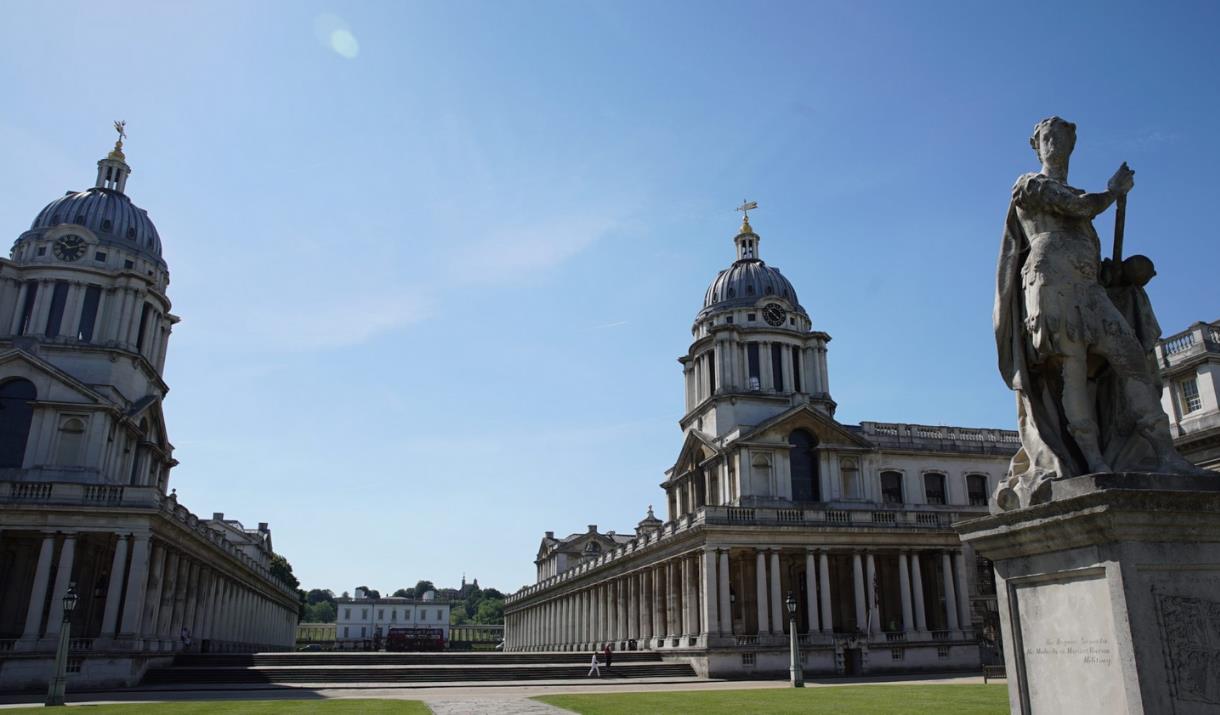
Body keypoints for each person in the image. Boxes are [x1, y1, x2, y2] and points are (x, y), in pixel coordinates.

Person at [993, 116, 1204, 510]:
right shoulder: (1029, 186)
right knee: (1069, 369)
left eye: (1063, 137)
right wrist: (1112, 192)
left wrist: (1121, 274)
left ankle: (1164, 452)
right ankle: (1093, 460)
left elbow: (1088, 240)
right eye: (1048, 137)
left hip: (1089, 287)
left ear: (1072, 145)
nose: (1055, 143)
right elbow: (1076, 207)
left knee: (1132, 360)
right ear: (1036, 146)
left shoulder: (1079, 202)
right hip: (1049, 282)